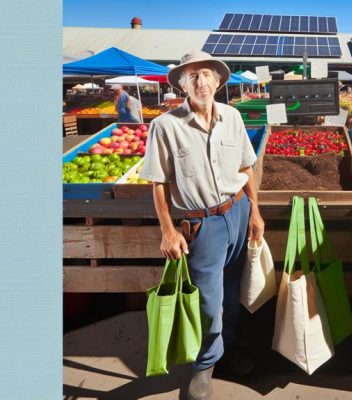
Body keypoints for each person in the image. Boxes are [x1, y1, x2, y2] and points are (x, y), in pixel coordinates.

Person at [139, 50, 264, 400]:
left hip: (237, 213)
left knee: (231, 294)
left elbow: (246, 168)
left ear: (218, 81)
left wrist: (254, 211)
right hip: (201, 226)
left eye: (206, 74)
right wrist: (167, 229)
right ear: (181, 84)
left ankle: (230, 344)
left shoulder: (233, 117)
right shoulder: (164, 126)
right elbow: (158, 182)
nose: (200, 81)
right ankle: (205, 365)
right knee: (208, 302)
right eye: (191, 75)